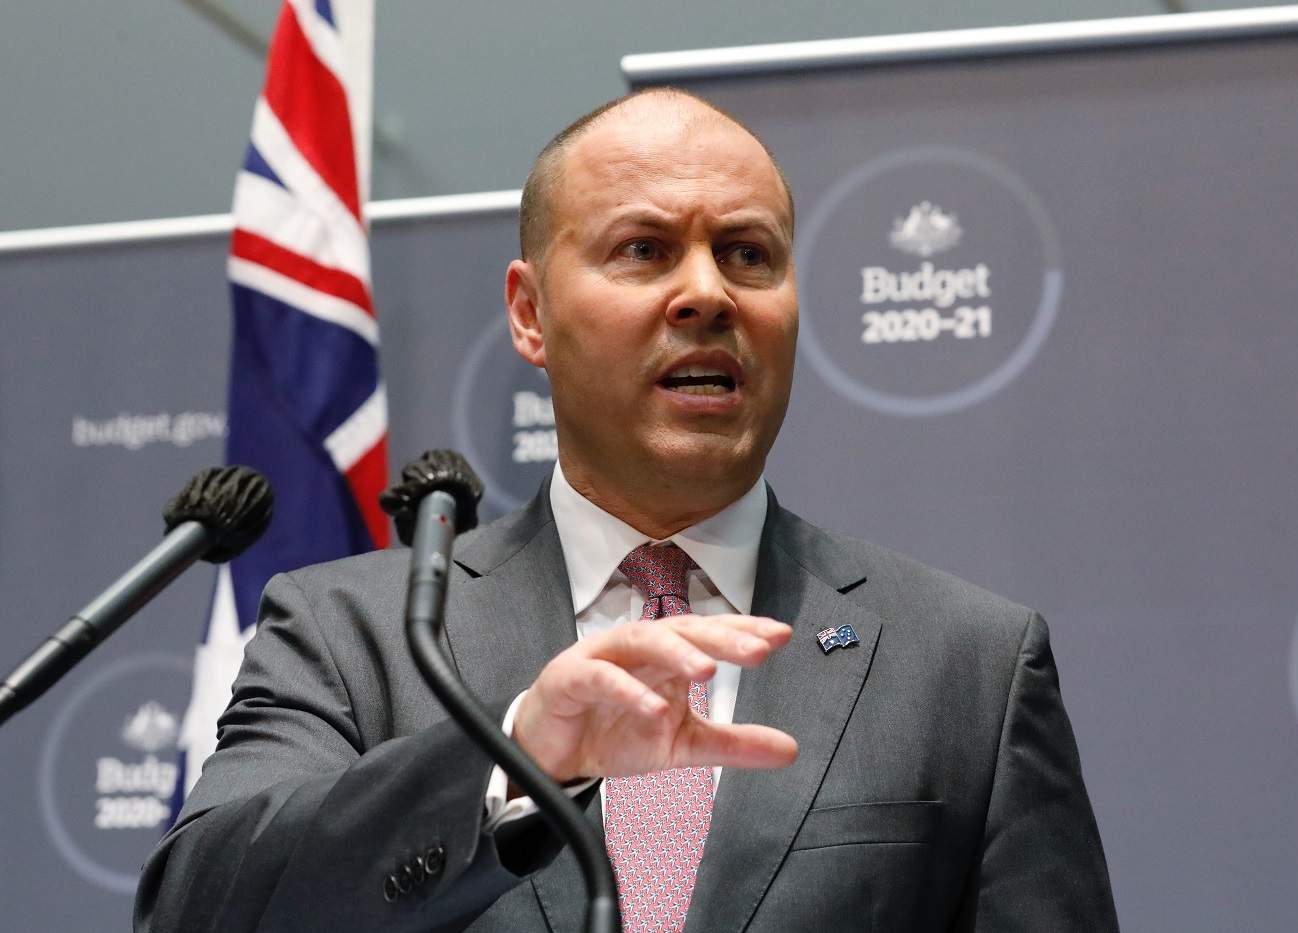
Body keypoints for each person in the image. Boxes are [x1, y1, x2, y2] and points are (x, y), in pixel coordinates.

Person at [135, 88, 1118, 932]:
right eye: (644, 250)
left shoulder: (966, 665)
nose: (706, 292)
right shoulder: (352, 636)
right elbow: (200, 910)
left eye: (746, 255)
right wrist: (516, 757)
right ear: (529, 314)